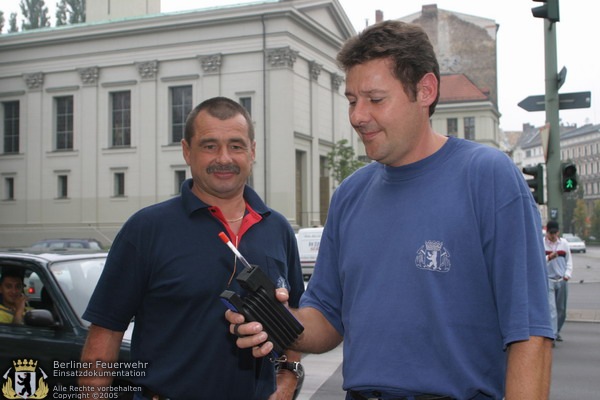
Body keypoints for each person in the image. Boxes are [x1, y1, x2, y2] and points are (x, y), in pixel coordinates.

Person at [227, 20, 554, 400]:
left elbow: (530, 332)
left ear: (425, 90)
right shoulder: (350, 194)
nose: (357, 116)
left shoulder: (487, 176)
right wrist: (275, 321)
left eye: (375, 99)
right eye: (352, 100)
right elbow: (326, 319)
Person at [80, 97, 305, 399]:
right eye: (210, 146)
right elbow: (105, 334)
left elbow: (295, 319)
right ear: (187, 151)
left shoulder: (277, 228)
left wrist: (288, 378)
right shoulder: (147, 229)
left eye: (236, 146)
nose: (224, 158)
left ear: (252, 151)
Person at [544, 220, 573, 343]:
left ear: (558, 232)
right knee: (552, 310)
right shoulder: (542, 243)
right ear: (547, 232)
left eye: (555, 233)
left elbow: (569, 261)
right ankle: (552, 335)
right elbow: (539, 261)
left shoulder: (564, 244)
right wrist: (548, 257)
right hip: (549, 279)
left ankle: (557, 330)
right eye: (551, 233)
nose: (553, 235)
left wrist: (567, 275)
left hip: (561, 279)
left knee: (561, 309)